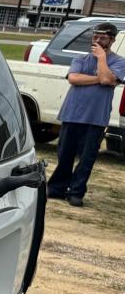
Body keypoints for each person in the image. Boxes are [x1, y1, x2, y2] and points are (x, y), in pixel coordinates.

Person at [48, 21, 125, 206]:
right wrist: (102, 79)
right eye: (95, 37)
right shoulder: (80, 59)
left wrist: (101, 59)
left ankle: (76, 192)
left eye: (103, 38)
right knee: (65, 154)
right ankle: (57, 188)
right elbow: (74, 79)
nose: (97, 41)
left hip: (96, 118)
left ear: (112, 40)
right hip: (72, 113)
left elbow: (107, 78)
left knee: (87, 158)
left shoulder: (119, 62)